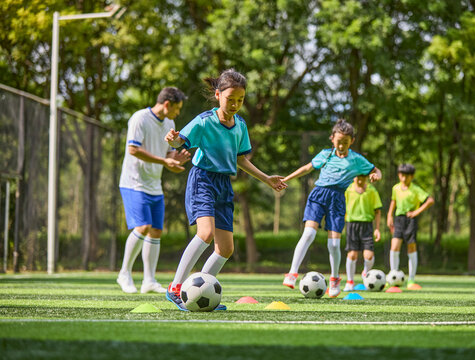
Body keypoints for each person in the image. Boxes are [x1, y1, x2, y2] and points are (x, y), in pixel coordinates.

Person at [164, 69, 287, 311]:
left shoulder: (240, 125)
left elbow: (241, 160)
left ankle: (197, 293)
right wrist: (173, 140)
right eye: (230, 99)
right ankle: (176, 288)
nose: (235, 104)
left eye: (240, 100)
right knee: (206, 233)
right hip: (203, 180)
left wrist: (266, 179)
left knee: (226, 248)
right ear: (218, 95)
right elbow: (180, 141)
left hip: (224, 185)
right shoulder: (203, 121)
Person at [282, 119, 382, 298]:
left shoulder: (357, 160)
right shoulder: (325, 155)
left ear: (351, 141)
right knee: (309, 234)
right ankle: (292, 273)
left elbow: (376, 170)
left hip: (337, 200)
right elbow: (306, 168)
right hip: (318, 196)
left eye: (345, 142)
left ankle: (335, 278)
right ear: (332, 139)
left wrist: (376, 175)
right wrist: (286, 179)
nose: (341, 145)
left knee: (334, 244)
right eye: (338, 141)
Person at [117, 87, 191, 294]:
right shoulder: (139, 118)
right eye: (177, 108)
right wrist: (164, 161)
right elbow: (133, 149)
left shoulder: (169, 123)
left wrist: (174, 161)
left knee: (156, 230)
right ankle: (124, 273)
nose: (177, 113)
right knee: (143, 226)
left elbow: (167, 153)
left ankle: (149, 280)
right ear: (167, 104)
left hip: (154, 185)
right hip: (133, 183)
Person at [386, 163, 434, 290]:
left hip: (410, 220)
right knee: (394, 245)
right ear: (399, 175)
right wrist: (389, 215)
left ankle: (411, 280)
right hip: (398, 219)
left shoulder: (415, 189)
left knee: (411, 247)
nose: (404, 178)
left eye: (407, 176)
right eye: (402, 175)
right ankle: (392, 277)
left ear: (411, 176)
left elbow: (430, 200)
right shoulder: (395, 188)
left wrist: (416, 212)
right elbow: (393, 201)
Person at [342, 175, 382, 292]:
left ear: (366, 178)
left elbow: (377, 211)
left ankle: (365, 274)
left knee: (368, 256)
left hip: (367, 225)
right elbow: (342, 208)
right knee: (352, 255)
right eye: (357, 178)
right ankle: (350, 281)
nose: (360, 181)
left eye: (362, 178)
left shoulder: (372, 190)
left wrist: (377, 228)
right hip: (351, 224)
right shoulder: (348, 190)